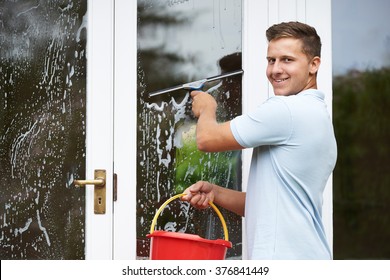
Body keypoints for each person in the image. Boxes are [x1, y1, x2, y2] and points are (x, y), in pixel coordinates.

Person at [181, 21, 337, 260]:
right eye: (271, 60)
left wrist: (207, 107)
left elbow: (206, 139)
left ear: (314, 64)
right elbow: (265, 206)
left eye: (287, 60)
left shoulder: (287, 110)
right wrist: (215, 192)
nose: (275, 69)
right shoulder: (317, 114)